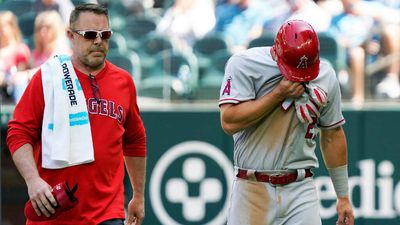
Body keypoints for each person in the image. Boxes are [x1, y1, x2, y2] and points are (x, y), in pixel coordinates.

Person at [7, 3, 146, 225]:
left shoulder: (124, 82)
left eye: (105, 34)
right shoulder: (48, 77)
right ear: (70, 35)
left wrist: (138, 195)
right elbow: (18, 132)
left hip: (107, 214)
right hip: (54, 211)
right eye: (90, 34)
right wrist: (32, 180)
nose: (98, 41)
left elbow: (135, 140)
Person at [219, 20, 354, 225]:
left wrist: (343, 196)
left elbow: (333, 135)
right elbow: (229, 122)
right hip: (252, 186)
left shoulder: (325, 74)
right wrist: (277, 95)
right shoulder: (244, 63)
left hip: (301, 187)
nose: (301, 73)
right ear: (276, 51)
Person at [0, 10, 31, 103]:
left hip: (12, 89)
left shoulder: (20, 49)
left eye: (2, 27)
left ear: (12, 27)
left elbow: (20, 75)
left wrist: (4, 79)